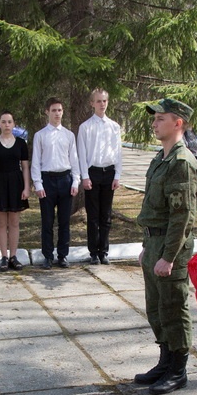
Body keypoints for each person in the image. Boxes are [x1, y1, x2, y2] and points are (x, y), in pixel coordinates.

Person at [133, 98, 197, 395]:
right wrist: (149, 247)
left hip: (170, 245)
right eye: (155, 118)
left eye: (161, 118)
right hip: (154, 240)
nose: (154, 122)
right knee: (157, 309)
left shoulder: (182, 163)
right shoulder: (161, 158)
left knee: (174, 308)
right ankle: (165, 361)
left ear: (178, 123)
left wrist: (169, 256)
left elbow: (182, 216)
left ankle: (178, 369)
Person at [31, 98, 81, 269]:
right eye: (54, 110)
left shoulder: (68, 135)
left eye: (59, 110)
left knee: (64, 221)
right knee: (47, 221)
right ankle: (47, 256)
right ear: (47, 112)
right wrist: (38, 184)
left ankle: (62, 255)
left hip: (65, 179)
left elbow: (74, 159)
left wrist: (76, 181)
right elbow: (36, 161)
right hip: (47, 180)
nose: (57, 113)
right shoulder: (40, 135)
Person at [78, 88, 123, 265]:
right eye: (98, 101)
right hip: (93, 173)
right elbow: (82, 154)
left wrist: (117, 175)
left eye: (104, 101)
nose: (102, 104)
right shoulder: (85, 127)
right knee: (93, 215)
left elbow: (118, 152)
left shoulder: (114, 127)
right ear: (92, 103)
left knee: (106, 215)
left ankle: (104, 251)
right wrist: (85, 176)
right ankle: (93, 252)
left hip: (109, 173)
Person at [0, 111, 30, 270]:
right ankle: (4, 256)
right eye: (3, 122)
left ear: (14, 124)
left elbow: (25, 167)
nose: (6, 125)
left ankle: (13, 256)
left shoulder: (20, 143)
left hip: (16, 183)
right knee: (1, 222)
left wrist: (26, 187)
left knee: (14, 222)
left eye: (9, 122)